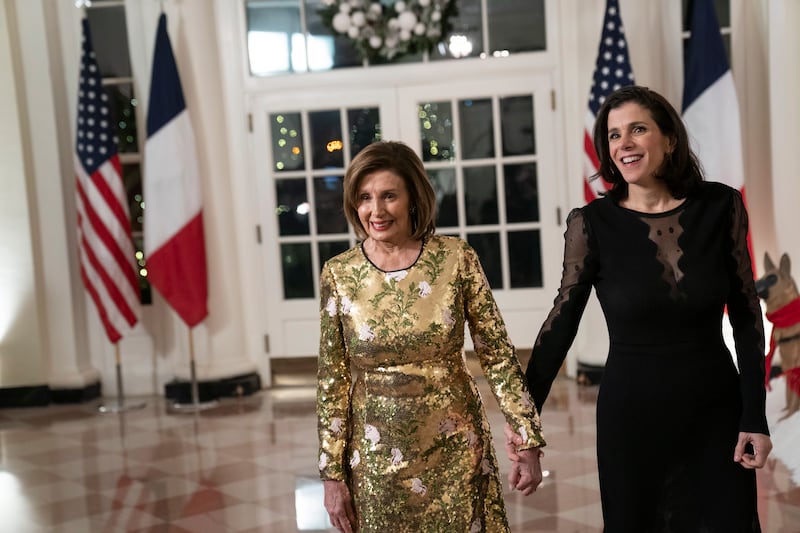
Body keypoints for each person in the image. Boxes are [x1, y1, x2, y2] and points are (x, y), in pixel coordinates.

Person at [506, 85, 772, 531]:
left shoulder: (721, 205)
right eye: (613, 136)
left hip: (717, 413)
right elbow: (562, 323)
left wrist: (755, 415)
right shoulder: (592, 224)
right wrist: (524, 419)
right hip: (632, 418)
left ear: (669, 139)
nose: (623, 144)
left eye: (637, 129)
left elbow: (746, 312)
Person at [317, 140, 545, 533]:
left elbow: (497, 354)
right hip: (375, 458)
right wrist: (331, 473)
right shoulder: (338, 274)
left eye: (389, 195)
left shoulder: (456, 258)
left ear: (413, 198)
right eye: (365, 197)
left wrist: (526, 437)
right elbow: (332, 380)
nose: (376, 210)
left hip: (457, 448)